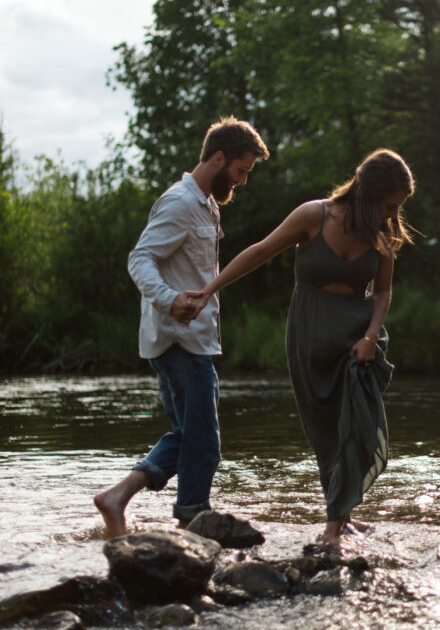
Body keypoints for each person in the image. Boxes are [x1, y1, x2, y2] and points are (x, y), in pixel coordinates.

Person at [186, 148, 416, 545]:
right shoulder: (315, 215)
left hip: (358, 338)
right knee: (324, 431)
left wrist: (370, 337)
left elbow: (382, 292)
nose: (394, 215)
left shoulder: (382, 232)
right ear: (369, 193)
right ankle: (340, 514)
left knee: (357, 424)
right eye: (390, 205)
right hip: (310, 333)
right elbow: (259, 251)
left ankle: (333, 525)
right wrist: (209, 290)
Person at [94, 116, 269, 538]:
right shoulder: (179, 203)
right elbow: (139, 259)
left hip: (191, 339)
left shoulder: (205, 203)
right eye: (242, 170)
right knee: (204, 442)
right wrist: (171, 300)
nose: (243, 181)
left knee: (188, 436)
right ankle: (191, 517)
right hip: (179, 341)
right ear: (219, 157)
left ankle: (122, 498)